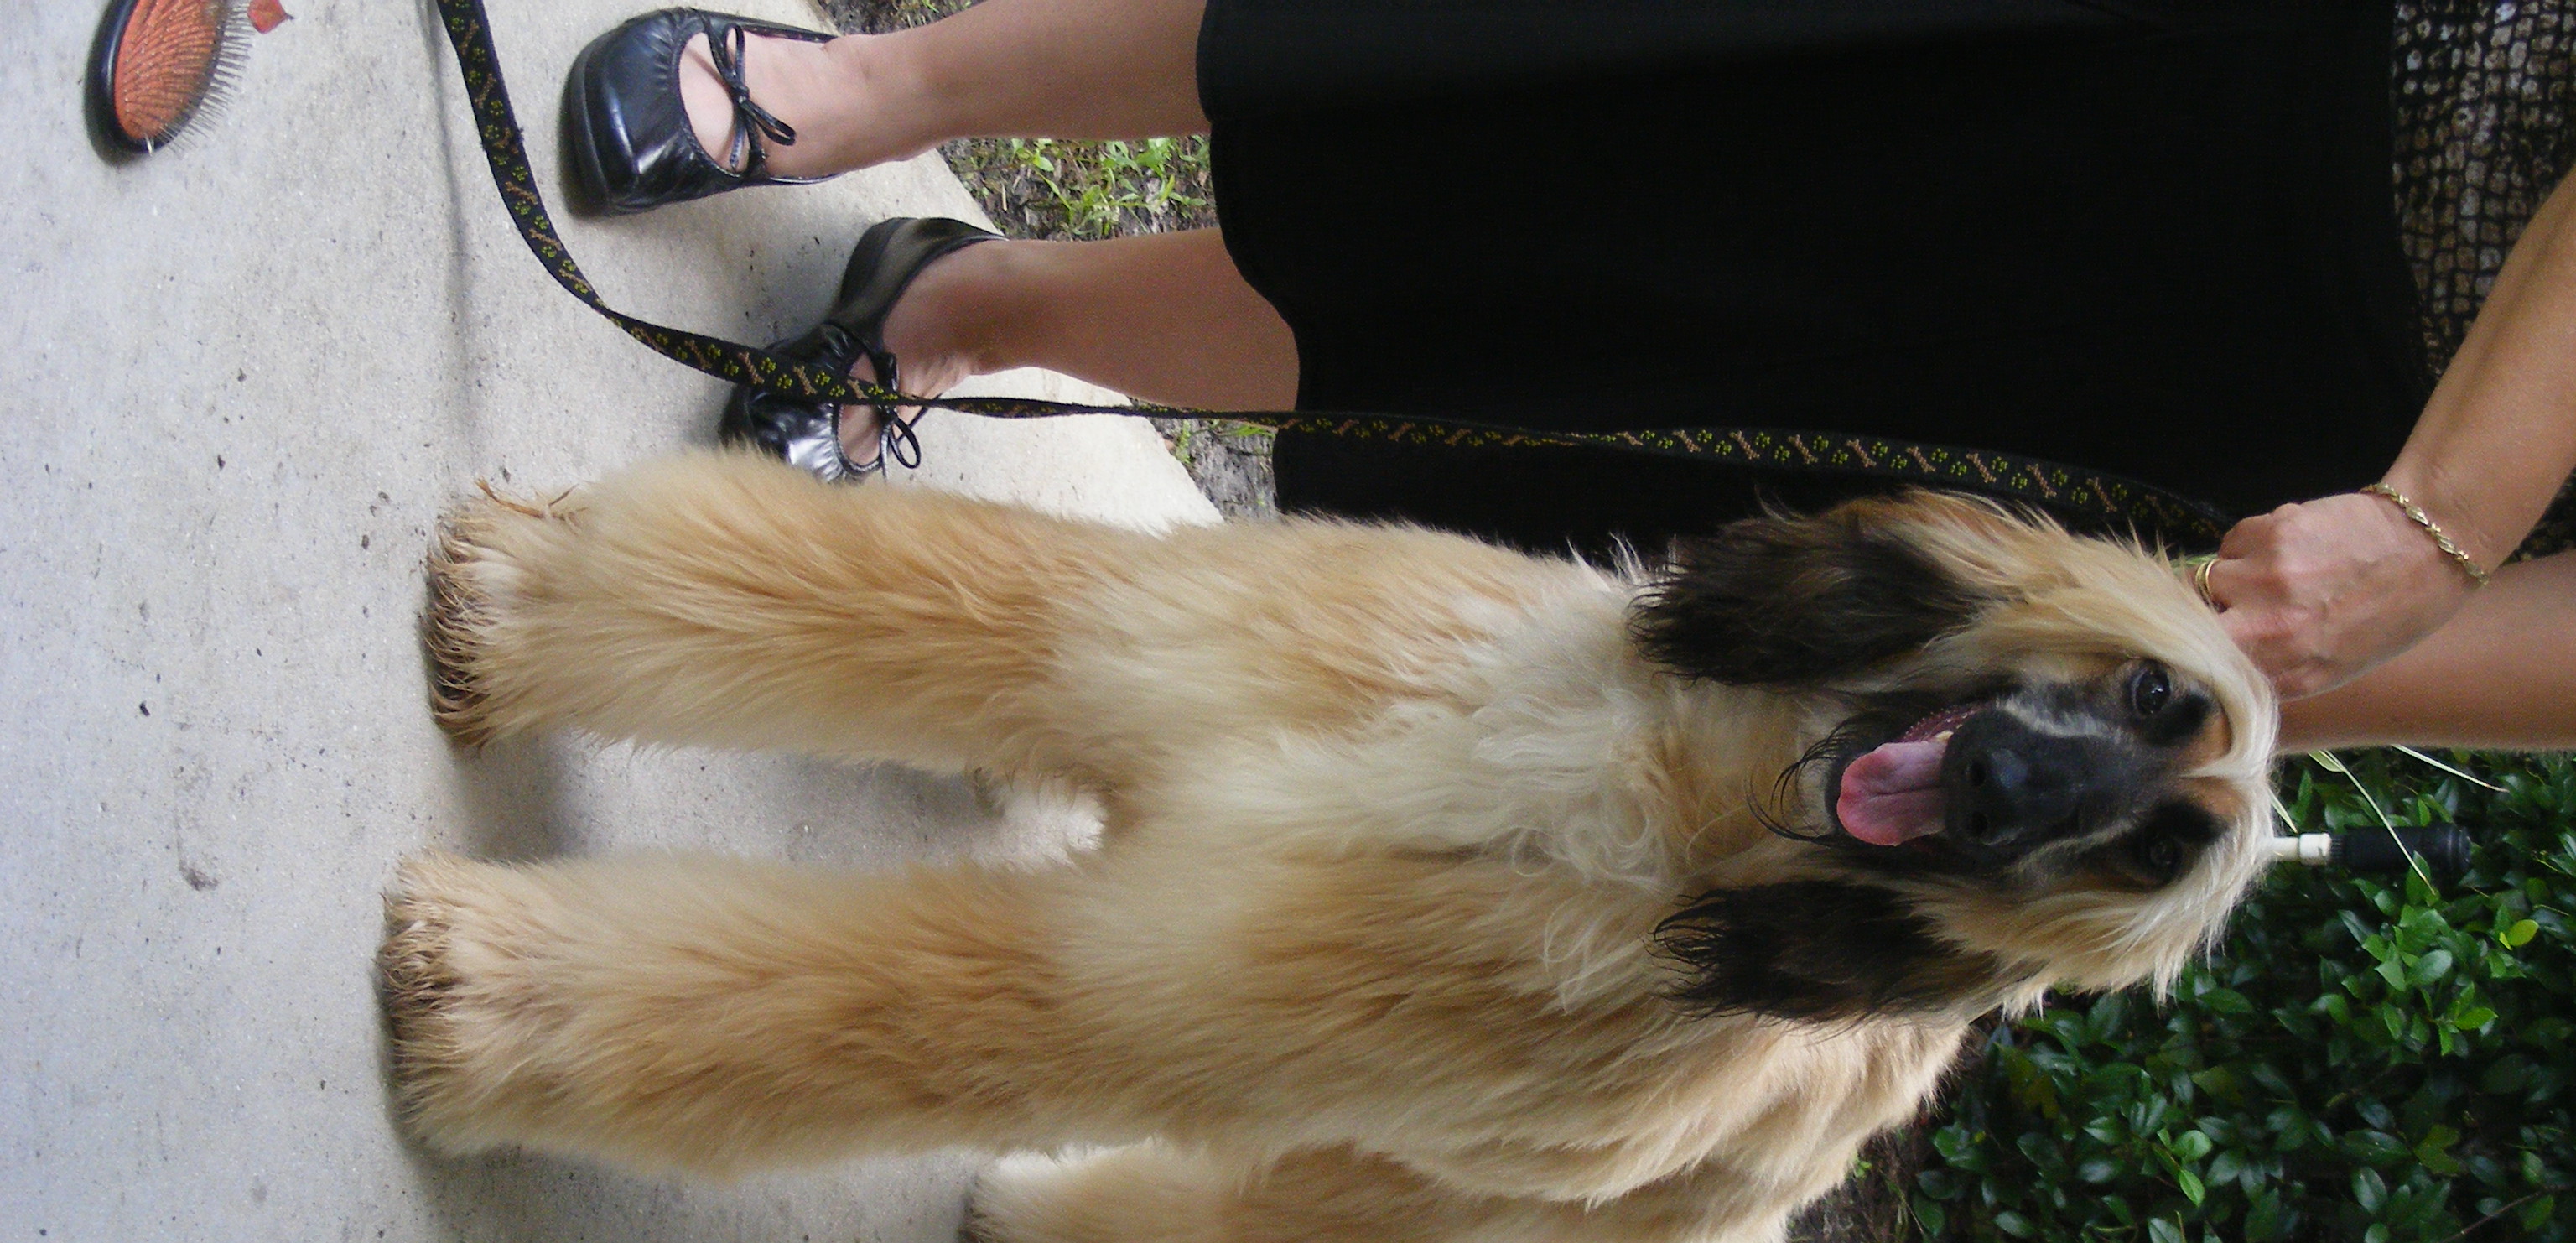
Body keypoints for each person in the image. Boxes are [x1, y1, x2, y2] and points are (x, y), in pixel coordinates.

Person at [558, 0, 2576, 755]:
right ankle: (866, 87)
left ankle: (975, 310)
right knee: (1548, 45)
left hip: (2300, 387)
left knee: (1587, 339)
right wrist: (2442, 524)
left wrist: (2205, 695)